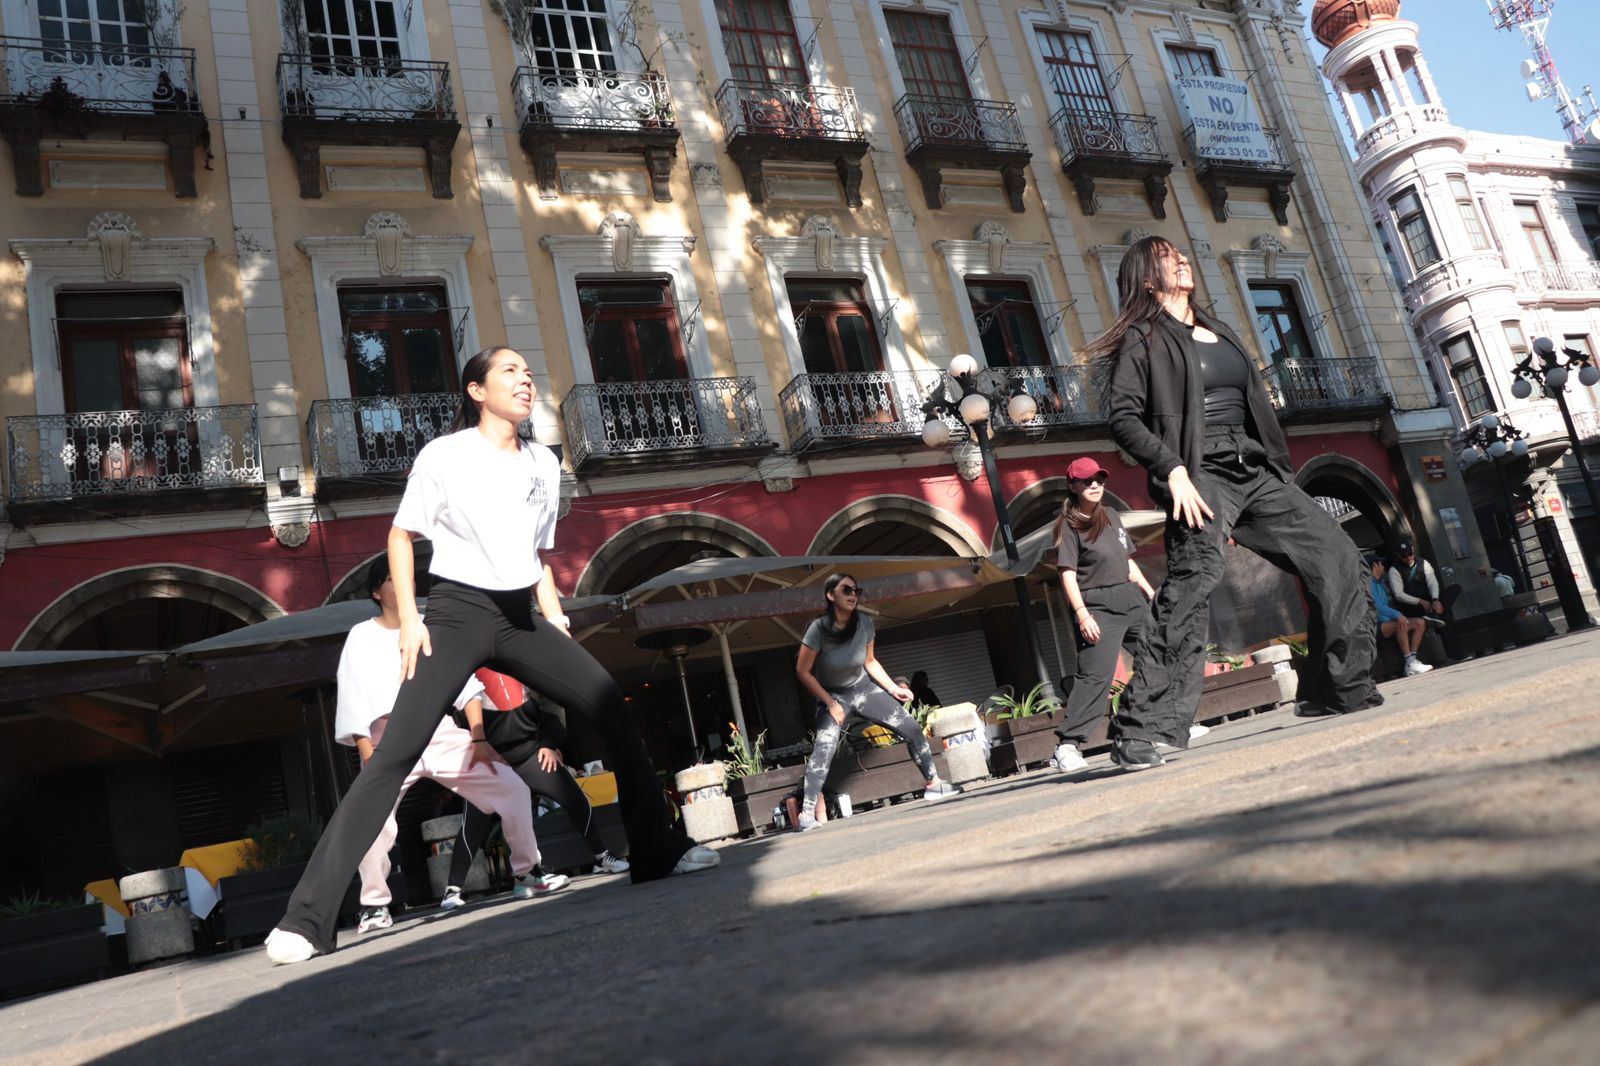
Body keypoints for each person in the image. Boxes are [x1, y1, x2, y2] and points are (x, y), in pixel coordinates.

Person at [265, 347, 715, 966]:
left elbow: (535, 556)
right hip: (455, 615)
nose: (526, 378)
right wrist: (412, 621)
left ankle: (655, 851)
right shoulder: (445, 455)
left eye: (530, 371)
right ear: (477, 391)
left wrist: (552, 611)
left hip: (520, 617)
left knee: (612, 707)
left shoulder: (542, 462)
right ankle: (306, 920)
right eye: (510, 371)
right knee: (393, 755)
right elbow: (401, 535)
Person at [1091, 236, 1380, 768]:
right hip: (1200, 473)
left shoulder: (1219, 330)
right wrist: (1172, 470)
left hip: (1255, 468)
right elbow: (1124, 418)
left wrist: (1278, 469)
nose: (1181, 258)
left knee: (1336, 555)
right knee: (1192, 583)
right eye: (1166, 256)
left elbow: (1251, 407)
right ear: (1147, 279)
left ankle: (1335, 686)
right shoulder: (1144, 338)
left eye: (1181, 251)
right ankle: (1139, 728)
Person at [334, 558, 557, 935]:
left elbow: (465, 683)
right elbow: (352, 693)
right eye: (391, 580)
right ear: (376, 592)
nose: (402, 585)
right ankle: (373, 906)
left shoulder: (427, 628)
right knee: (371, 820)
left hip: (437, 731)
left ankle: (528, 872)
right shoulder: (360, 635)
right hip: (387, 742)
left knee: (513, 787)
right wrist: (367, 752)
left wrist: (479, 737)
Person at [440, 673, 628, 911]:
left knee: (576, 798)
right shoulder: (466, 678)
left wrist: (550, 744)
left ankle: (602, 857)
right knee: (473, 822)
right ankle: (452, 889)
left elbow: (551, 710)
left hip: (531, 755)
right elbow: (455, 724)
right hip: (492, 762)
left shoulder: (519, 668)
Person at [792, 574, 960, 830]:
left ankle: (934, 784)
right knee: (823, 750)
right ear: (830, 595)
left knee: (912, 728)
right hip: (833, 695)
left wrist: (893, 688)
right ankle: (806, 815)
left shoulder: (865, 624)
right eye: (845, 589)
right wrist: (829, 703)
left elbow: (869, 661)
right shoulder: (818, 629)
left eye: (856, 590)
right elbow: (803, 672)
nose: (852, 594)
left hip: (864, 689)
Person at [1049, 456, 1157, 773]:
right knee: (1096, 677)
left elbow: (1127, 562)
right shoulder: (1068, 526)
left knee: (1162, 654)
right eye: (1086, 481)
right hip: (1096, 604)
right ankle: (1066, 746)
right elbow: (1067, 574)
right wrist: (1082, 615)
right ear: (1073, 486)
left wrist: (1150, 594)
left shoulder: (1111, 515)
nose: (1095, 485)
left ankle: (1154, 724)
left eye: (1099, 479)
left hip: (1129, 596)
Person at [1369, 554, 1433, 677]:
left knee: (1420, 622)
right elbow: (1377, 607)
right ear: (1374, 565)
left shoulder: (1381, 583)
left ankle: (1412, 661)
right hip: (1374, 626)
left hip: (1387, 621)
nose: (1383, 567)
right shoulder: (1368, 584)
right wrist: (1397, 615)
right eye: (1381, 564)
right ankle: (1409, 662)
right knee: (1400, 623)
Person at [1387, 539, 1446, 625]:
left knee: (1453, 590)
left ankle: (1434, 613)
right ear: (1398, 556)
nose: (1408, 558)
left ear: (1413, 550)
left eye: (1410, 554)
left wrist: (1435, 599)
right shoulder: (1394, 570)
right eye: (1404, 556)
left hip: (1430, 599)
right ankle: (1432, 615)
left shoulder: (1423, 562)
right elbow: (1398, 594)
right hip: (1412, 605)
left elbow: (1432, 582)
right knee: (1415, 609)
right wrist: (1420, 601)